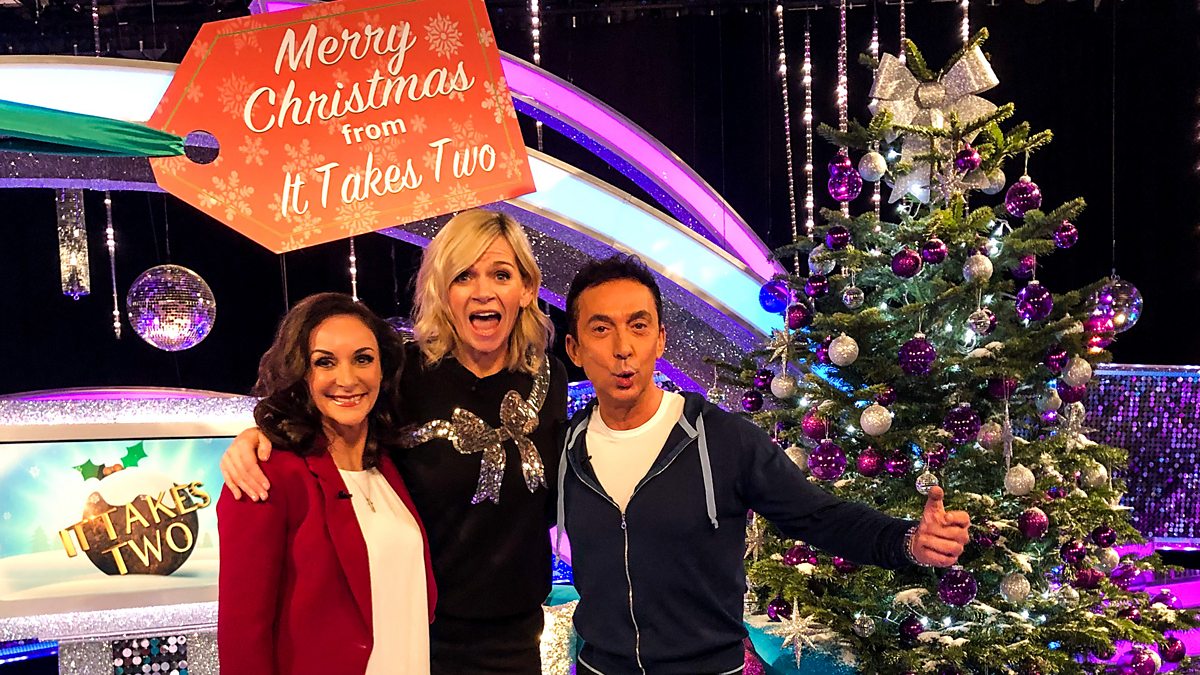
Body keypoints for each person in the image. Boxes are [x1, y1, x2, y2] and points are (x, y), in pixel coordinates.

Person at [555, 255, 971, 675]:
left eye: (639, 326)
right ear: (574, 348)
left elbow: (820, 516)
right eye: (601, 328)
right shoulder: (564, 449)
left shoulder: (722, 439)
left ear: (660, 339)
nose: (623, 348)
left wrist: (907, 539)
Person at [220, 210, 568, 674]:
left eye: (501, 275)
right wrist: (258, 436)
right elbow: (334, 407)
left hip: (519, 639)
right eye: (463, 276)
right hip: (419, 633)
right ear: (442, 290)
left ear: (527, 289)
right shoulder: (404, 373)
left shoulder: (548, 377)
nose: (483, 291)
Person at [217, 292, 435, 675]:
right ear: (300, 373)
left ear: (382, 370)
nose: (347, 379)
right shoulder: (267, 474)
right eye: (325, 362)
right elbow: (242, 634)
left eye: (363, 359)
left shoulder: (389, 464)